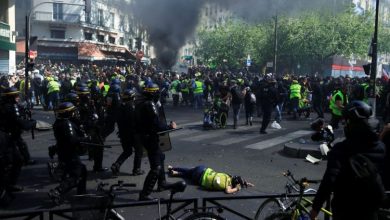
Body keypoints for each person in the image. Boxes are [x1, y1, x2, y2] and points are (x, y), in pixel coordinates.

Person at [310, 100, 386, 220]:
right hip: (371, 209)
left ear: (351, 124)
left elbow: (329, 180)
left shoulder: (341, 149)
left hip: (345, 209)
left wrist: (315, 208)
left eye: (346, 122)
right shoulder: (380, 147)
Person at [135, 83, 177, 201]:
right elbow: (156, 124)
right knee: (156, 167)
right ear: (153, 93)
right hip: (149, 138)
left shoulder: (140, 102)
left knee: (161, 157)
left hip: (144, 136)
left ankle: (162, 183)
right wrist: (169, 127)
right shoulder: (150, 104)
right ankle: (144, 194)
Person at [48, 102, 88, 205]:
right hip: (70, 153)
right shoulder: (67, 123)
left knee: (81, 171)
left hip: (63, 152)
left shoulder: (59, 122)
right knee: (76, 176)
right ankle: (58, 191)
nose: (74, 113)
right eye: (72, 111)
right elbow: (72, 139)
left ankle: (81, 194)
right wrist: (85, 138)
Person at [111, 89, 144, 176]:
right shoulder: (132, 107)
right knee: (139, 151)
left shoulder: (120, 106)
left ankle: (116, 165)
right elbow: (136, 121)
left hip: (123, 134)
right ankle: (136, 169)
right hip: (133, 134)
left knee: (127, 151)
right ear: (132, 97)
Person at [167, 165, 254, 194]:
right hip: (199, 179)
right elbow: (228, 191)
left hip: (203, 169)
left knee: (189, 170)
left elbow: (236, 179)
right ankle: (177, 173)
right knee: (189, 176)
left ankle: (173, 168)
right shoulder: (227, 186)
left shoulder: (228, 176)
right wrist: (238, 188)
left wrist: (245, 183)